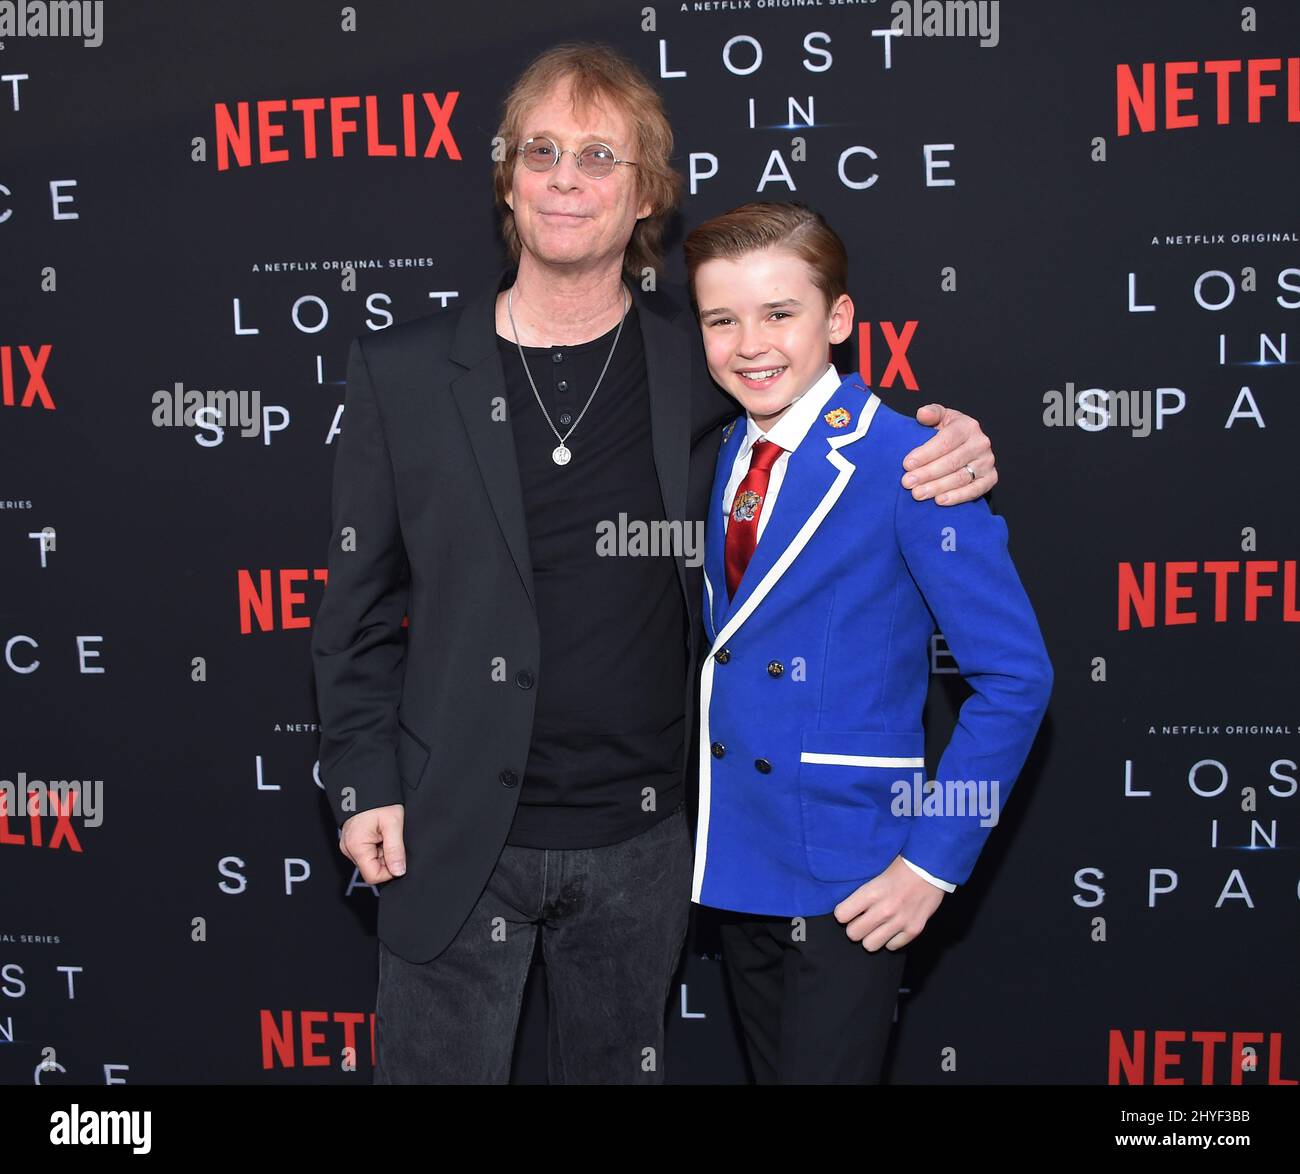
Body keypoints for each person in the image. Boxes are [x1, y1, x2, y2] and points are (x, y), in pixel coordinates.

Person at [310, 42, 1002, 1085]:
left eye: (599, 155)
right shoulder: (402, 372)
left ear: (646, 197)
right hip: (448, 831)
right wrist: (362, 783)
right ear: (506, 176)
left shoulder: (711, 361)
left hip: (648, 843)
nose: (565, 178)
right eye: (540, 150)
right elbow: (354, 607)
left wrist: (959, 447)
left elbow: (835, 427)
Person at [681, 201, 1053, 1083]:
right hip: (735, 859)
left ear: (839, 320)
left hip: (857, 872)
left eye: (780, 313)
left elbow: (1015, 679)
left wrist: (932, 861)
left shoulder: (912, 464)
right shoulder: (708, 457)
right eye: (721, 320)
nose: (750, 344)